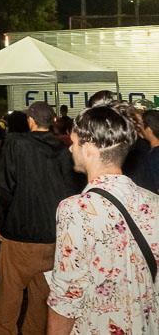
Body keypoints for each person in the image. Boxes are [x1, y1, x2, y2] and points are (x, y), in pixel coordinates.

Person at [46, 103, 159, 334]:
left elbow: (67, 296)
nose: (70, 149)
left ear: (88, 149)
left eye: (75, 142)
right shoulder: (153, 202)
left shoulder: (75, 210)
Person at [0, 101, 81, 335]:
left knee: (11, 287)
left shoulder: (16, 144)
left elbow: (6, 186)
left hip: (20, 231)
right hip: (53, 234)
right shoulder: (64, 149)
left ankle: (1, 330)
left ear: (30, 120)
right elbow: (71, 191)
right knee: (42, 293)